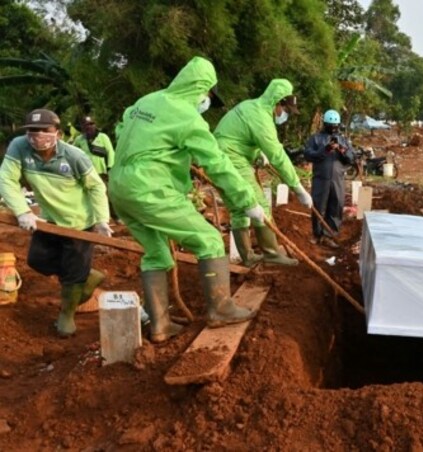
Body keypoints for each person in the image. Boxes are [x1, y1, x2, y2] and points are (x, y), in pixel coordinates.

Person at [109, 56, 262, 343]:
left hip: (119, 187)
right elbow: (217, 163)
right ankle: (220, 309)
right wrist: (247, 199)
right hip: (148, 189)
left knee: (156, 254)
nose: (206, 103)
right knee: (210, 240)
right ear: (201, 89)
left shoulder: (146, 101)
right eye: (207, 96)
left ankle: (161, 326)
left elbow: (122, 130)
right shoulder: (187, 116)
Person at [0, 109, 111, 337]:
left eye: (44, 130)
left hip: (78, 223)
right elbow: (7, 179)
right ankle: (86, 277)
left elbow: (96, 186)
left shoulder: (74, 156)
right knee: (37, 260)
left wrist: (101, 220)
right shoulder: (19, 147)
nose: (37, 135)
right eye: (32, 130)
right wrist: (22, 211)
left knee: (72, 275)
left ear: (58, 133)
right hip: (48, 220)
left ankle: (66, 317)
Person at [214, 79, 312, 267]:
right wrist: (298, 187)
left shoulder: (251, 106)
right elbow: (278, 156)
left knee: (238, 208)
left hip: (221, 155)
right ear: (278, 102)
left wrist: (257, 154)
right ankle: (271, 254)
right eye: (285, 110)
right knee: (259, 204)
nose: (284, 115)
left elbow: (239, 136)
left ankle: (248, 257)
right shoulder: (261, 117)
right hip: (231, 158)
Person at [303, 109, 356, 248]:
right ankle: (317, 234)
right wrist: (324, 150)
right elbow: (308, 154)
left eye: (336, 126)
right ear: (324, 124)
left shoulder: (343, 140)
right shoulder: (316, 138)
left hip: (337, 179)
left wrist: (342, 150)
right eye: (330, 126)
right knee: (318, 205)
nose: (333, 129)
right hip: (320, 178)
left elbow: (351, 159)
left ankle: (330, 234)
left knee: (336, 205)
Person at [73, 115, 117, 220]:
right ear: (82, 127)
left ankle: (114, 216)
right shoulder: (79, 139)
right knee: (87, 194)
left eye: (91, 124)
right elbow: (72, 152)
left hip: (101, 171)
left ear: (95, 125)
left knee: (106, 193)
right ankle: (93, 217)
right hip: (86, 172)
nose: (89, 127)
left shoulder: (102, 137)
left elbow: (110, 152)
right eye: (86, 125)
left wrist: (110, 167)